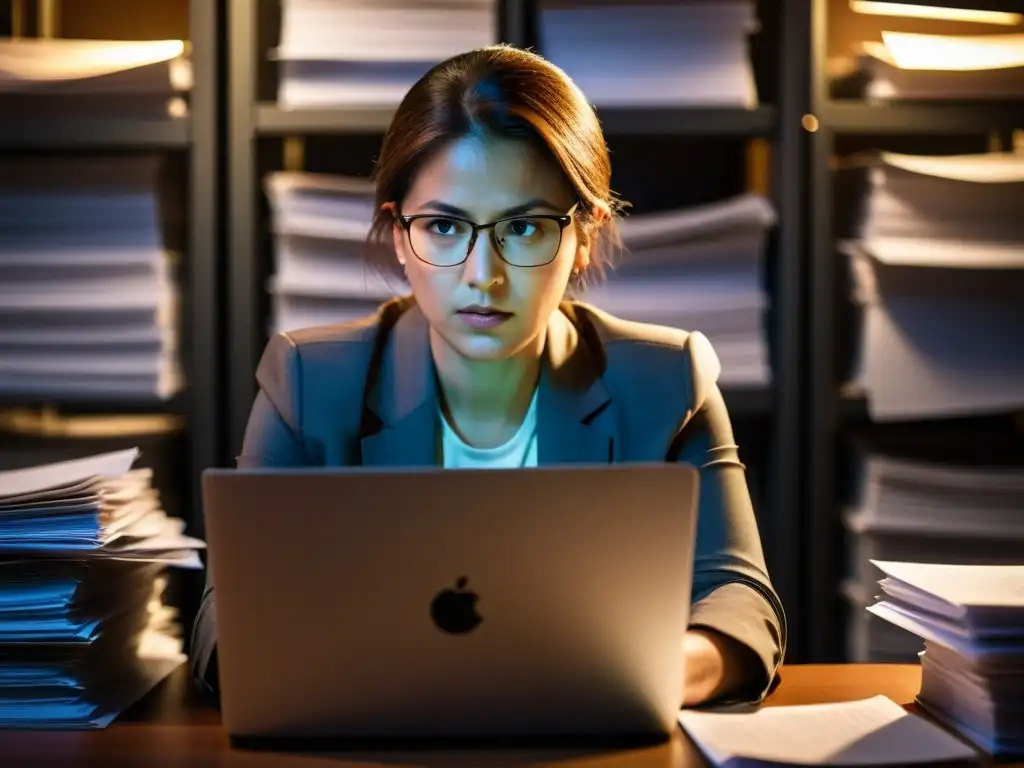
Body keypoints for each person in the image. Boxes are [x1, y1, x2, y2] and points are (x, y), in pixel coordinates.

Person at [191, 44, 785, 708]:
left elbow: (741, 604)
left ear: (584, 233)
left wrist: (651, 671)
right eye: (445, 226)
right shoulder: (307, 383)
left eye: (525, 227)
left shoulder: (667, 380)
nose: (483, 274)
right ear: (397, 233)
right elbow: (226, 619)